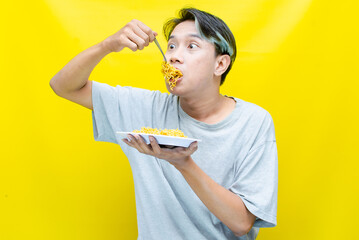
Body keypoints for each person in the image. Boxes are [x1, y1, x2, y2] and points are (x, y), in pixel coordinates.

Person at [50, 7, 278, 240]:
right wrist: (107, 45)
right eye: (171, 46)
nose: (173, 56)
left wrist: (184, 164)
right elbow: (63, 86)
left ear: (220, 64)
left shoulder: (253, 122)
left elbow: (242, 223)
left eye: (192, 46)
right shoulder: (145, 108)